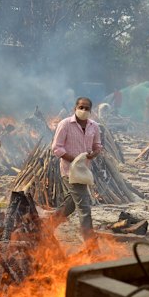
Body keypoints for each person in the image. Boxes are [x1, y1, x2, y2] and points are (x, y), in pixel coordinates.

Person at [50, 97, 103, 243]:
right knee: (84, 206)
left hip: (84, 172)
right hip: (69, 172)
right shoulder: (65, 124)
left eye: (86, 108)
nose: (83, 110)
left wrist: (94, 153)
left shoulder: (94, 126)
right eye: (81, 107)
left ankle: (46, 227)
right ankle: (90, 243)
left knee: (71, 205)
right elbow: (56, 148)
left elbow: (98, 145)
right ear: (75, 108)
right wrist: (74, 159)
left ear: (90, 110)